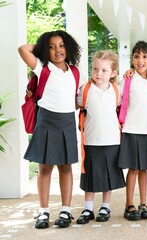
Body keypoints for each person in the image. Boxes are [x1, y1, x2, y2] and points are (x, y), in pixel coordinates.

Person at [18, 30, 85, 229]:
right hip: (46, 120)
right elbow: (23, 49)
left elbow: (78, 99)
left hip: (66, 122)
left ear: (69, 48)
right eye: (52, 46)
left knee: (65, 166)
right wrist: (41, 49)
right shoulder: (42, 67)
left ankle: (66, 210)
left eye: (62, 45)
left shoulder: (75, 71)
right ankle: (43, 212)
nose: (58, 50)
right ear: (45, 50)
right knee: (45, 167)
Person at [75, 50, 126, 224]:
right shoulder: (86, 90)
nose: (98, 73)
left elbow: (119, 108)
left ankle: (106, 206)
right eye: (95, 69)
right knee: (90, 176)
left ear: (112, 73)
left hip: (112, 140)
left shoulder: (116, 90)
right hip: (91, 140)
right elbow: (78, 104)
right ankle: (88, 208)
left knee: (108, 174)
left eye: (104, 70)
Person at [118, 41, 147, 221]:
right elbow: (116, 98)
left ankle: (143, 203)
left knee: (144, 169)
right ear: (132, 59)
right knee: (133, 169)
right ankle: (129, 204)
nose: (140, 61)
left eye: (145, 57)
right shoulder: (127, 79)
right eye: (136, 56)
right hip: (131, 129)